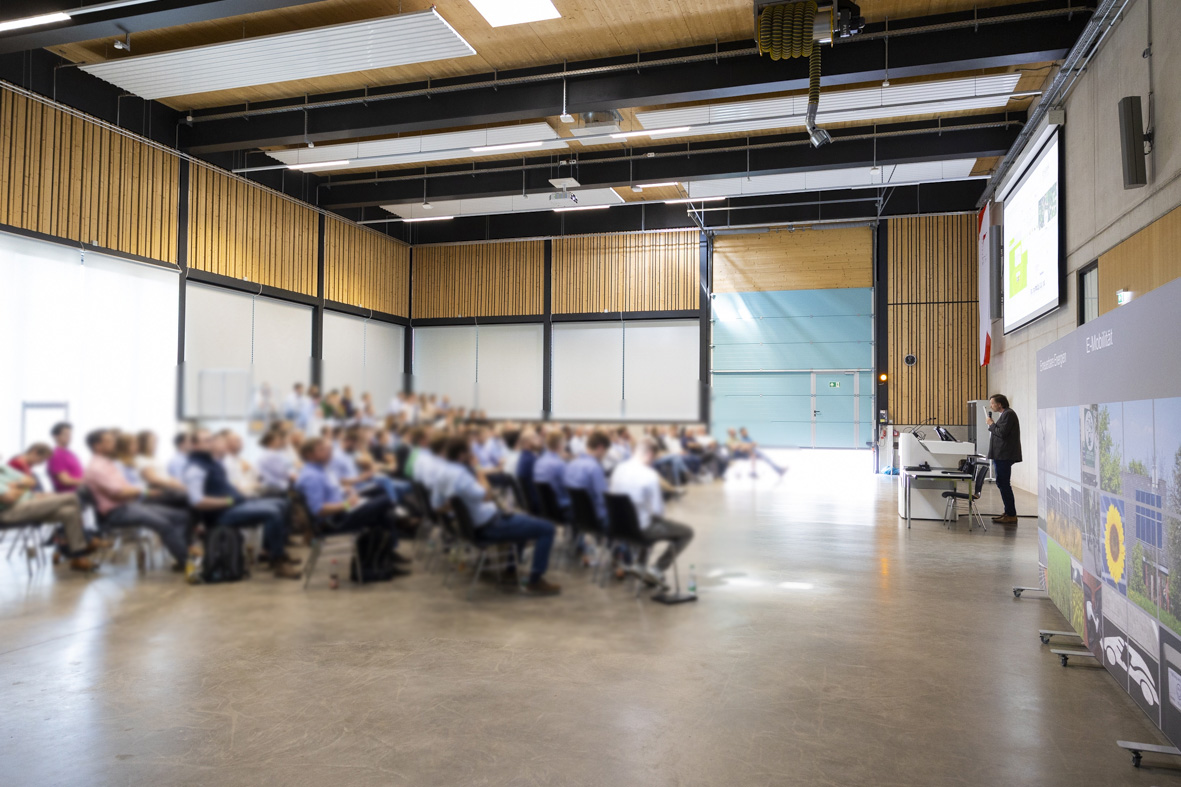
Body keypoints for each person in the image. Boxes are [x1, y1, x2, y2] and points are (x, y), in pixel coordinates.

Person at [436, 438, 560, 595]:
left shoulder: (444, 472)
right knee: (547, 528)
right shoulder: (463, 475)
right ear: (462, 455)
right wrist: (478, 471)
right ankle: (535, 580)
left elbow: (438, 505)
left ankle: (510, 570)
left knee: (523, 521)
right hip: (489, 526)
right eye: (470, 450)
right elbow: (487, 495)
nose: (473, 453)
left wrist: (459, 505)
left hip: (480, 524)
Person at [182, 429, 300, 579]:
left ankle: (274, 553)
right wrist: (229, 501)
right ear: (194, 446)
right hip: (220, 514)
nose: (211, 443)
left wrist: (237, 498)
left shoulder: (211, 462)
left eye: (211, 439)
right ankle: (278, 562)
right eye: (206, 441)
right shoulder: (196, 468)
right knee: (273, 512)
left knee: (282, 503)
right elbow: (197, 501)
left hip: (233, 505)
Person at [295, 438, 410, 575]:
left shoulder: (322, 468)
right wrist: (347, 504)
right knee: (384, 503)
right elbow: (318, 510)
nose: (329, 452)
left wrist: (346, 492)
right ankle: (378, 561)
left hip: (342, 509)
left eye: (329, 449)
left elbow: (332, 490)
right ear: (309, 455)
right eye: (322, 450)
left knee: (380, 498)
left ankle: (381, 560)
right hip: (334, 520)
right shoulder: (312, 476)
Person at [83, 429, 191, 569]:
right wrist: (144, 491)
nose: (114, 443)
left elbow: (124, 486)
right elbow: (118, 492)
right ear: (97, 446)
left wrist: (142, 492)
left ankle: (184, 553)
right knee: (165, 524)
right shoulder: (97, 467)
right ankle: (187, 562)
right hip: (115, 512)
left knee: (181, 516)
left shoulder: (106, 463)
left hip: (128, 506)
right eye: (109, 441)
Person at [609, 438, 695, 588]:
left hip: (618, 527)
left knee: (650, 520)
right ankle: (657, 569)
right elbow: (658, 512)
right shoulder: (650, 475)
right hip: (640, 531)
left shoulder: (619, 469)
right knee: (686, 532)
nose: (654, 461)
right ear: (649, 454)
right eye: (654, 458)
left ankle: (640, 564)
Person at [0, 459, 98, 571]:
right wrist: (23, 486)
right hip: (8, 512)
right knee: (72, 498)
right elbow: (9, 498)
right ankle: (86, 539)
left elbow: (31, 481)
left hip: (31, 501)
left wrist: (16, 486)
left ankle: (77, 557)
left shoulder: (3, 468)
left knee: (69, 512)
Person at [986, 394, 1022, 525]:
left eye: (992, 403)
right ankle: (1008, 512)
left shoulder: (1009, 414)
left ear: (999, 404)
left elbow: (1002, 433)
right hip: (1000, 455)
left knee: (1004, 483)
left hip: (1004, 455)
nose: (991, 406)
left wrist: (991, 424)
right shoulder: (1005, 414)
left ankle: (1011, 514)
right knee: (1002, 483)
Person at [564, 431, 610, 525]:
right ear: (600, 448)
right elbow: (603, 498)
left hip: (577, 514)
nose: (605, 455)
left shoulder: (571, 464)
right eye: (605, 451)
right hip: (595, 517)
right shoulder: (594, 467)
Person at [533, 432, 571, 517]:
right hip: (561, 505)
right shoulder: (559, 464)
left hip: (545, 506)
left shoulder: (538, 462)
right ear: (560, 445)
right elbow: (568, 487)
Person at [46, 422, 84, 493]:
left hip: (81, 491)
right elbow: (65, 480)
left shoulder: (71, 454)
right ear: (55, 436)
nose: (69, 437)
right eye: (65, 434)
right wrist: (89, 483)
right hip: (70, 494)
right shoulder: (56, 455)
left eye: (70, 434)